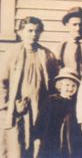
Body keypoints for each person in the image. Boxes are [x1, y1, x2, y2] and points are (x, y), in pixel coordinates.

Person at [0, 16, 58, 158]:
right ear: (20, 32)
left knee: (36, 147)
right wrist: (10, 105)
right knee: (16, 148)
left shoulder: (47, 55)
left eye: (37, 31)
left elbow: (52, 82)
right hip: (18, 110)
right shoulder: (11, 54)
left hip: (39, 108)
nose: (33, 34)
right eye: (30, 30)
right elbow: (2, 84)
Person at [36, 67, 82, 158]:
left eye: (73, 86)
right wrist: (37, 138)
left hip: (70, 141)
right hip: (51, 139)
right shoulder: (51, 101)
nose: (70, 88)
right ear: (60, 86)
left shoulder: (76, 103)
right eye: (67, 85)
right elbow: (41, 121)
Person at [55, 7, 82, 78]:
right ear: (67, 25)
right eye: (74, 24)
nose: (78, 28)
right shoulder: (61, 48)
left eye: (81, 24)